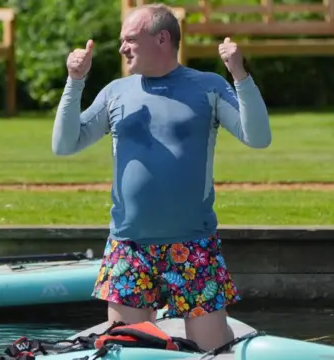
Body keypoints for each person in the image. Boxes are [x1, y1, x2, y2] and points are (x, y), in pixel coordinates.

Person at [51, 3, 271, 351]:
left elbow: (258, 137)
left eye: (130, 40)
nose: (122, 48)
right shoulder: (115, 92)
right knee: (126, 353)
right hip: (130, 247)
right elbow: (64, 145)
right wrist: (74, 82)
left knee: (212, 352)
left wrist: (240, 75)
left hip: (194, 246)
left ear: (162, 39)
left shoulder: (208, 87)